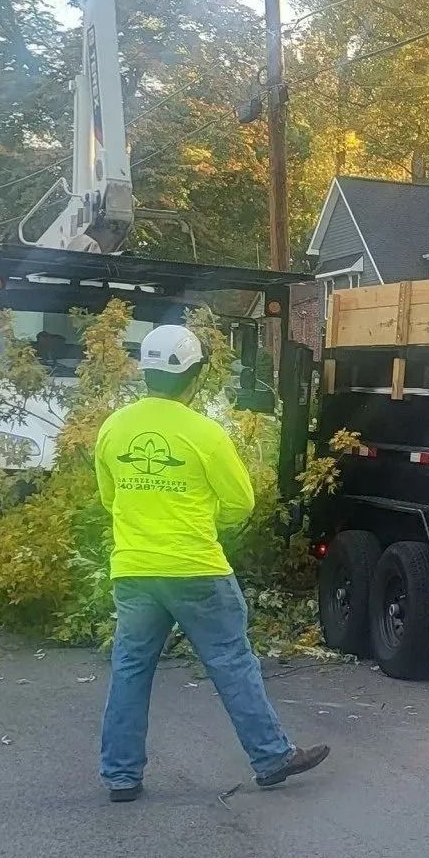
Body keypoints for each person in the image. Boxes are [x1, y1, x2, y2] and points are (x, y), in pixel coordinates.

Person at [94, 323, 328, 804]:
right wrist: (205, 519)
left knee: (131, 668)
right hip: (196, 568)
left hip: (134, 570)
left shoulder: (113, 428)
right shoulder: (205, 433)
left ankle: (121, 776)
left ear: (146, 371)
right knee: (231, 661)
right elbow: (240, 503)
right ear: (195, 374)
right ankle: (270, 756)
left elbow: (108, 496)